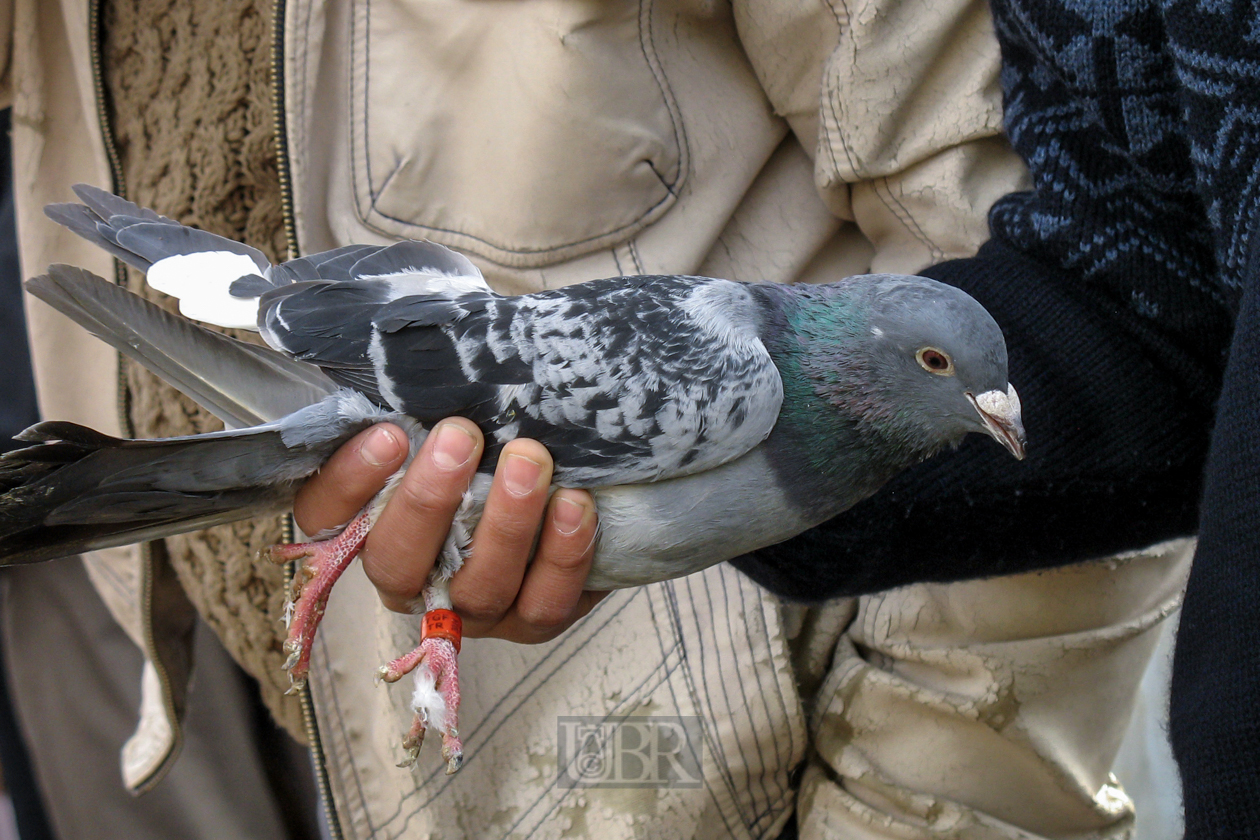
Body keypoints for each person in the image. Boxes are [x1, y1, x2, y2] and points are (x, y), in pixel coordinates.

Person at [2, 1, 1192, 838]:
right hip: (217, 674)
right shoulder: (736, 375)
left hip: (673, 778)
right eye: (942, 367)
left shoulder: (766, 380)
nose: (989, 404)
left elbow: (1106, 320)